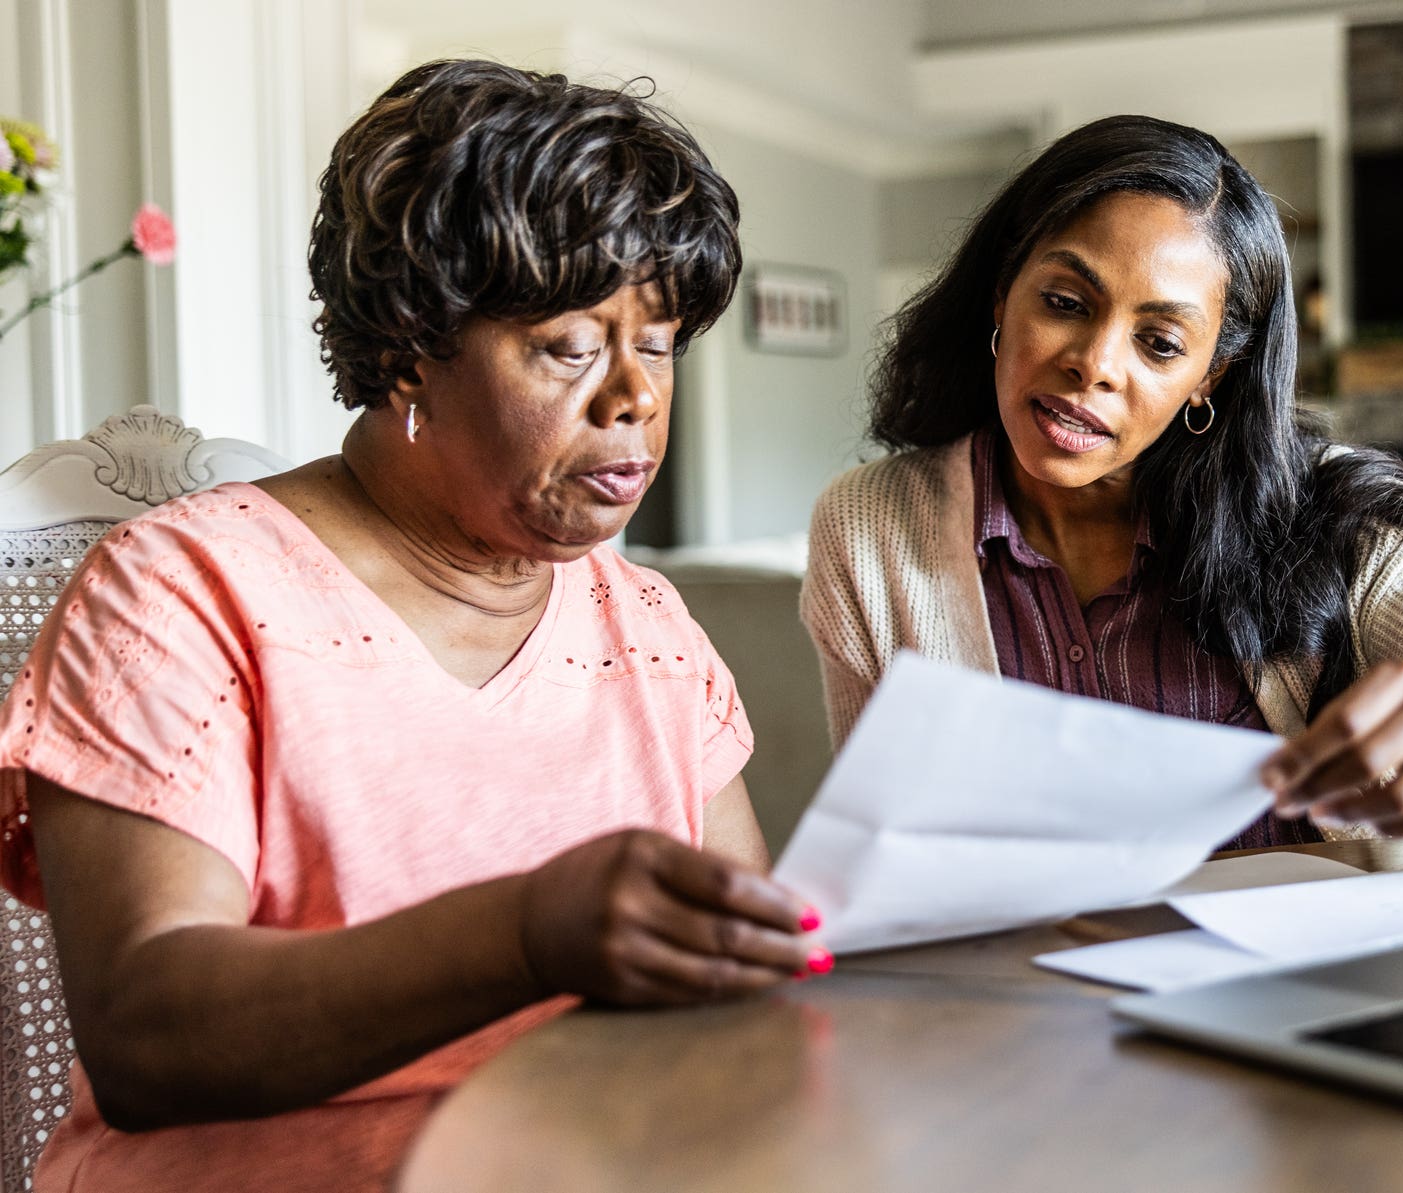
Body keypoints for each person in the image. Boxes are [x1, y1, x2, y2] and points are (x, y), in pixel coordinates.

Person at [0, 60, 828, 1192]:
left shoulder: (647, 629)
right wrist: (529, 931)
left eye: (662, 341)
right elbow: (149, 1036)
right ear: (406, 351)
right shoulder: (178, 595)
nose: (634, 395)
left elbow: (747, 985)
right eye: (570, 345)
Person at [801, 115, 1403, 866]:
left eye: (1161, 343)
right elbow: (881, 854)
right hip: (1025, 1012)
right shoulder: (870, 529)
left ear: (1214, 374)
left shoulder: (1342, 523)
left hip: (1303, 1008)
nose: (1095, 364)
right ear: (1002, 294)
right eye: (1064, 301)